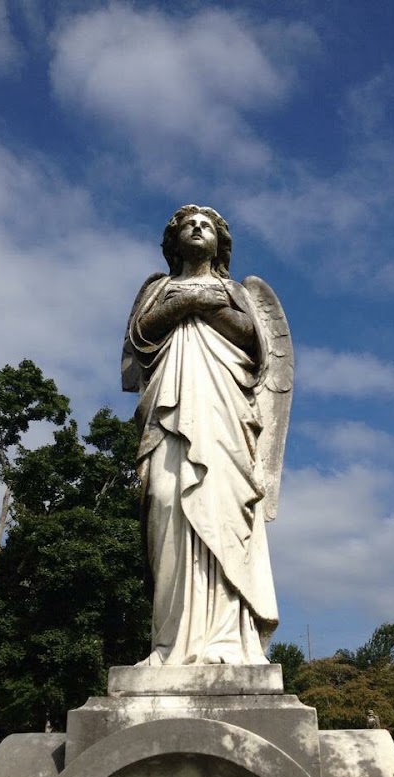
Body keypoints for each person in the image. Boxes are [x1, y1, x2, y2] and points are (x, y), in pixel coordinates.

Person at [122, 205, 292, 665]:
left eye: (207, 226)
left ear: (220, 243)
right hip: (167, 418)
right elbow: (139, 338)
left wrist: (205, 304)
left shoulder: (233, 290)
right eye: (187, 225)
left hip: (222, 416)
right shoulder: (160, 289)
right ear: (173, 242)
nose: (197, 229)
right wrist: (182, 303)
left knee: (219, 507)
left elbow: (253, 343)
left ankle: (224, 641)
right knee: (164, 499)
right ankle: (169, 643)